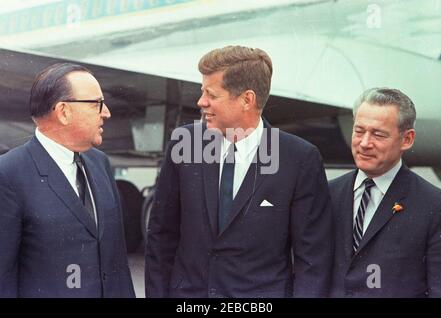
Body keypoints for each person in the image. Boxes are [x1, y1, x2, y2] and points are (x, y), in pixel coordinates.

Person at [145, 45, 333, 298]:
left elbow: (313, 259)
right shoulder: (184, 144)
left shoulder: (299, 159)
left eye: (211, 94)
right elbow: (161, 237)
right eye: (202, 92)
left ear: (247, 99)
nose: (201, 102)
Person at [0, 63, 135, 297]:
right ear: (63, 111)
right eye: (96, 104)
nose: (106, 113)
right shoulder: (9, 174)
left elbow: (117, 263)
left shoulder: (100, 164)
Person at [329, 87, 441, 297]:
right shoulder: (328, 194)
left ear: (407, 139)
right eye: (359, 131)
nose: (364, 143)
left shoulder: (435, 206)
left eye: (378, 134)